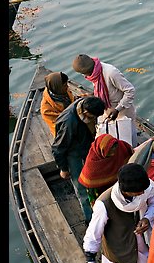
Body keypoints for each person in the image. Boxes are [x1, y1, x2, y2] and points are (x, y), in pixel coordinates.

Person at [83, 163, 154, 263]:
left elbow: (153, 203)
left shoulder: (146, 188)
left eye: (143, 190)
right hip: (121, 254)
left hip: (142, 245)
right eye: (138, 192)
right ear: (125, 190)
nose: (142, 193)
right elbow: (93, 235)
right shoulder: (104, 204)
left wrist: (147, 218)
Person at [51, 96, 106, 224]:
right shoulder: (69, 123)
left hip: (85, 146)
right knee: (81, 186)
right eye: (92, 117)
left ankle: (98, 206)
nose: (93, 120)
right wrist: (63, 169)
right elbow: (58, 148)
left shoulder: (84, 104)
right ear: (86, 113)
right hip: (73, 153)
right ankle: (90, 218)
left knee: (94, 178)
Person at [72, 53, 138, 145]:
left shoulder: (111, 73)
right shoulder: (94, 75)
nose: (84, 76)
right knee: (109, 141)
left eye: (84, 73)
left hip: (122, 111)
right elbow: (101, 91)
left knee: (128, 142)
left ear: (89, 69)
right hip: (106, 110)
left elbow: (130, 91)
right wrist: (90, 95)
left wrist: (117, 110)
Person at [79, 133, 134, 209]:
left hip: (119, 186)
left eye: (114, 150)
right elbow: (91, 188)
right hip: (101, 191)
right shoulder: (93, 165)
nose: (113, 154)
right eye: (109, 152)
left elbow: (130, 153)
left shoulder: (120, 146)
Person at [40, 71, 75, 136]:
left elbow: (73, 100)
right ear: (58, 87)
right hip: (64, 132)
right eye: (65, 85)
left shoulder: (62, 91)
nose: (67, 87)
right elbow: (60, 125)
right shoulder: (46, 110)